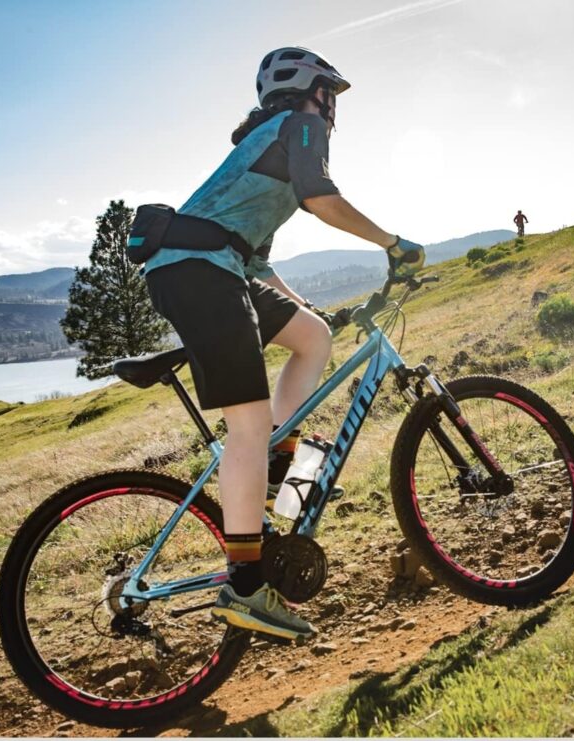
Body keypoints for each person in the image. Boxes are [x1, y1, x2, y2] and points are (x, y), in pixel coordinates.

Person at [140, 47, 424, 644]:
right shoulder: (301, 126)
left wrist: (306, 308)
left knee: (311, 335)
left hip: (216, 267)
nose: (333, 108)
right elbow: (321, 196)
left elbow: (259, 264)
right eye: (330, 94)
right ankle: (245, 586)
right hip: (198, 271)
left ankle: (274, 465)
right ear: (312, 91)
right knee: (245, 426)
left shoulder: (268, 140)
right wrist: (391, 243)